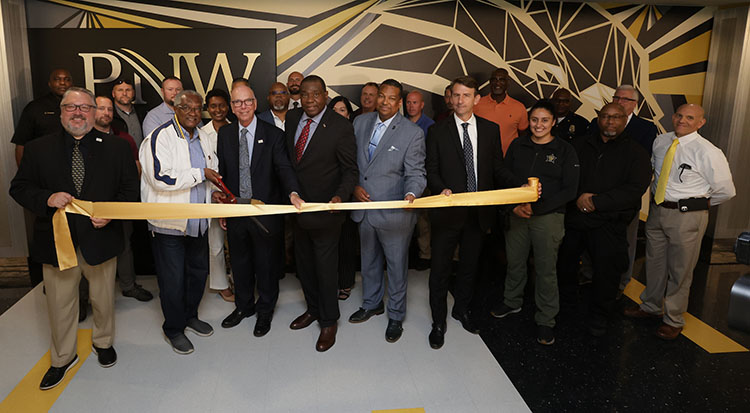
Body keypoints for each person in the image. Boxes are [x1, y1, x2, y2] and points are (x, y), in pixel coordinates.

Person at [10, 87, 139, 389]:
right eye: (71, 107)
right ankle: (62, 358)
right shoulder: (38, 148)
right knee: (59, 304)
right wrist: (47, 198)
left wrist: (112, 213)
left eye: (84, 107)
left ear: (95, 112)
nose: (78, 113)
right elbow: (19, 188)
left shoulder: (116, 148)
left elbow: (130, 192)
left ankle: (103, 343)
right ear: (61, 112)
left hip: (101, 238)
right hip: (57, 243)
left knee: (104, 300)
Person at [624, 104, 735, 340]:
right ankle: (650, 307)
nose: (682, 120)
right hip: (658, 211)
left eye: (690, 117)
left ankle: (673, 318)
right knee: (654, 263)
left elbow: (725, 190)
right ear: (674, 117)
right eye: (679, 115)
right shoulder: (661, 141)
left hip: (686, 216)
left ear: (701, 123)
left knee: (680, 269)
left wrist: (693, 206)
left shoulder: (708, 151)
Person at [425, 76, 518, 349]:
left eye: (466, 95)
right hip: (447, 212)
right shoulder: (437, 131)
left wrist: (519, 184)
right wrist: (441, 189)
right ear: (450, 98)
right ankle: (438, 321)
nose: (460, 100)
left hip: (478, 213)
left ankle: (461, 310)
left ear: (476, 99)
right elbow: (431, 169)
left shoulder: (490, 130)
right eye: (456, 95)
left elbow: (497, 169)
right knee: (440, 269)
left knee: (469, 267)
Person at [215, 84, 303, 337]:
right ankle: (244, 307)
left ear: (254, 103)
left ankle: (265, 311)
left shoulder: (273, 134)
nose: (242, 107)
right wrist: (223, 207)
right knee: (240, 263)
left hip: (265, 213)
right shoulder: (226, 134)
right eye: (236, 103)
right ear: (232, 107)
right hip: (236, 211)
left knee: (265, 265)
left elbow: (284, 168)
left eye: (246, 102)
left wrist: (293, 193)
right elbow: (225, 174)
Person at [556, 103, 651, 337]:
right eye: (606, 117)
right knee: (565, 265)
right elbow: (564, 176)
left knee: (607, 274)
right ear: (598, 119)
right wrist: (578, 198)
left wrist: (597, 201)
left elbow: (634, 189)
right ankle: (565, 307)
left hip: (609, 223)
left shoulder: (636, 153)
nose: (610, 122)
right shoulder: (578, 146)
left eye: (616, 117)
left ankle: (600, 316)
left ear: (624, 119)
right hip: (576, 219)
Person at [489, 100, 579, 345]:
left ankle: (546, 319)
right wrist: (515, 205)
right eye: (535, 120)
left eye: (545, 120)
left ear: (553, 123)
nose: (539, 125)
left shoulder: (564, 150)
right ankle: (512, 301)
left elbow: (569, 190)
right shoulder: (519, 145)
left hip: (548, 218)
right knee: (515, 262)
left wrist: (536, 206)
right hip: (517, 214)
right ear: (528, 122)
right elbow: (505, 177)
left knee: (545, 269)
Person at [139, 90, 221, 355]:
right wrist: (200, 174)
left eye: (198, 109)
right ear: (176, 108)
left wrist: (214, 190)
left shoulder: (204, 137)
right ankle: (173, 328)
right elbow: (159, 177)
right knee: (172, 280)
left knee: (197, 274)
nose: (193, 114)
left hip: (198, 222)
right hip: (169, 224)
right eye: (187, 109)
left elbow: (211, 171)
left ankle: (190, 316)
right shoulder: (160, 137)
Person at [348, 79, 426, 343]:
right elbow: (352, 164)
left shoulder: (411, 133)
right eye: (381, 96)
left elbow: (416, 172)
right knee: (368, 262)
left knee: (395, 266)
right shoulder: (359, 123)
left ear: (399, 102)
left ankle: (395, 314)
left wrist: (411, 194)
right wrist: (354, 186)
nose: (384, 101)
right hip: (364, 208)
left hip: (395, 212)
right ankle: (372, 304)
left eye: (391, 98)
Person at [284, 75, 358, 352]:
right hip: (298, 210)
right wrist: (291, 191)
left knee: (326, 270)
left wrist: (340, 196)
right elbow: (290, 163)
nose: (310, 100)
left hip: (328, 212)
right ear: (299, 96)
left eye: (316, 94)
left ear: (325, 95)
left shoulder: (340, 126)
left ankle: (329, 321)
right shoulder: (292, 120)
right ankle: (313, 309)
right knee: (304, 266)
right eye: (305, 94)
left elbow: (350, 170)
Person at [589, 85, 659, 293]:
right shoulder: (595, 123)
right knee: (592, 239)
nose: (619, 102)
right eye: (616, 97)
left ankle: (621, 282)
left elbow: (643, 166)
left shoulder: (646, 129)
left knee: (625, 242)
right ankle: (589, 275)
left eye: (625, 99)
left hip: (624, 198)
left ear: (635, 104)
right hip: (595, 195)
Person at [11, 68, 73, 287]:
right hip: (45, 182)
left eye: (66, 79)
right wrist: (28, 177)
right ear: (49, 83)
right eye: (57, 79)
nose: (62, 83)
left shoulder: (78, 108)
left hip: (74, 179)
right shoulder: (34, 108)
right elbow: (21, 145)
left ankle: (78, 290)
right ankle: (53, 284)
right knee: (48, 232)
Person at [92, 95, 153, 302]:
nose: (106, 113)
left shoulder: (124, 139)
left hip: (121, 200)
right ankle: (86, 296)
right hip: (91, 206)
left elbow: (135, 170)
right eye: (101, 109)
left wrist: (125, 199)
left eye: (109, 109)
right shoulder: (82, 139)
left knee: (125, 245)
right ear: (92, 110)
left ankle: (128, 285)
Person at [199, 88, 234, 302]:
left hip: (235, 195)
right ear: (207, 108)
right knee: (216, 243)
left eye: (222, 105)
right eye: (213, 106)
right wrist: (214, 194)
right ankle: (221, 284)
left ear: (228, 106)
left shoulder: (236, 128)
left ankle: (240, 279)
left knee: (239, 243)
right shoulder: (202, 134)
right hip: (213, 196)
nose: (218, 109)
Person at [327, 95, 357, 301]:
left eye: (343, 110)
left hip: (348, 193)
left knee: (347, 240)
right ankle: (330, 281)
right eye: (335, 110)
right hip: (327, 195)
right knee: (329, 242)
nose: (339, 114)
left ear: (349, 114)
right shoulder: (322, 134)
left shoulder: (354, 134)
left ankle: (345, 282)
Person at [405, 90, 435, 270]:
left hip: (421, 177)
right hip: (402, 179)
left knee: (423, 221)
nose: (411, 106)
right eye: (408, 102)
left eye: (415, 102)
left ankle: (425, 255)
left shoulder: (430, 125)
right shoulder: (399, 123)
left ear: (422, 105)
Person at [473, 68, 529, 154]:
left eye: (502, 80)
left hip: (508, 159)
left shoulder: (519, 107)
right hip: (482, 157)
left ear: (507, 83)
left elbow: (523, 134)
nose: (497, 83)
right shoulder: (476, 104)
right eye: (494, 79)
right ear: (490, 82)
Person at [110, 78, 146, 148]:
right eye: (120, 90)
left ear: (133, 93)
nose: (124, 93)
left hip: (142, 157)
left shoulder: (143, 113)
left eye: (128, 90)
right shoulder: (109, 115)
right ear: (113, 94)